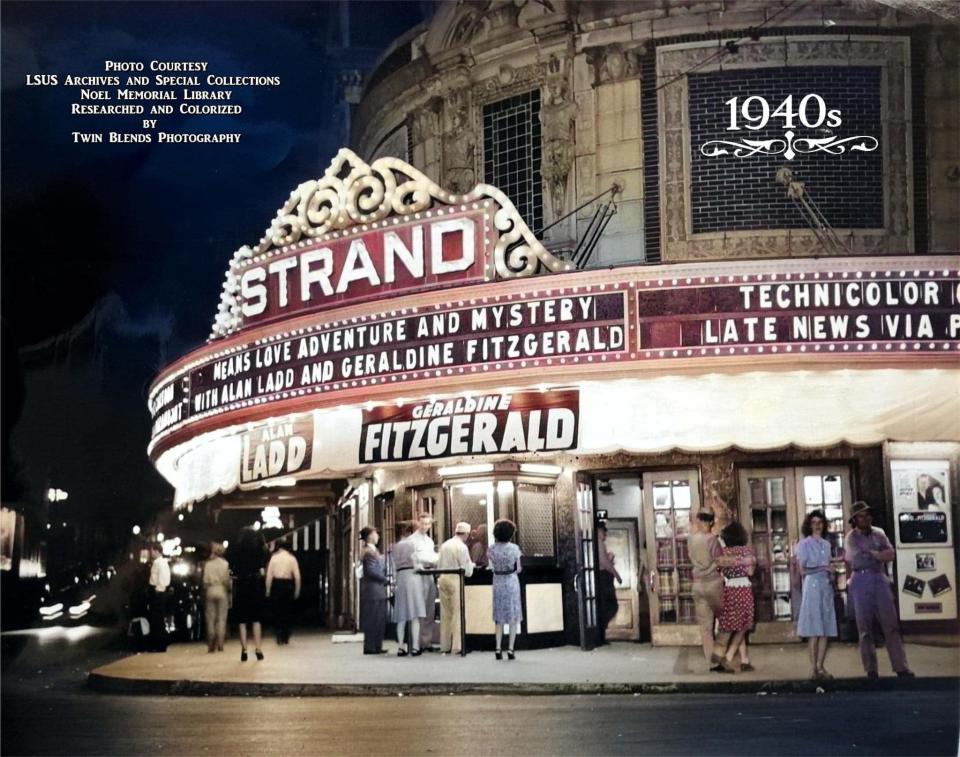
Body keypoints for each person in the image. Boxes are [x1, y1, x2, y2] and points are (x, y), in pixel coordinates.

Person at [844, 501, 914, 679]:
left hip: (879, 578)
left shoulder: (879, 533)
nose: (866, 518)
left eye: (867, 514)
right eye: (861, 515)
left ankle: (900, 667)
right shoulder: (851, 538)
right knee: (865, 627)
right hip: (860, 579)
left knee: (890, 624)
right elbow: (858, 559)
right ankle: (871, 670)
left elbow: (890, 554)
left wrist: (876, 554)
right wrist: (877, 555)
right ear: (854, 519)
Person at [795, 510, 838, 680]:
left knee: (825, 628)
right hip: (812, 586)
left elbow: (829, 567)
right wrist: (823, 568)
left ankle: (821, 666)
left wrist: (832, 573)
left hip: (825, 586)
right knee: (814, 628)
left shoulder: (826, 545)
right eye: (814, 522)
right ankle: (813, 668)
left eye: (820, 522)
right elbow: (803, 570)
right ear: (809, 525)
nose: (817, 525)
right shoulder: (804, 545)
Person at [714, 521, 756, 674]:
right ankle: (729, 656)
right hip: (744, 588)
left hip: (729, 589)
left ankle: (744, 660)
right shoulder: (746, 551)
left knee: (734, 624)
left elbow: (718, 570)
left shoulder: (724, 553)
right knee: (743, 625)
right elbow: (750, 572)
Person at [688, 510, 724, 668]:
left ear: (698, 521)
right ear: (711, 522)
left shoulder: (691, 539)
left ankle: (711, 661)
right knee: (726, 620)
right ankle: (723, 654)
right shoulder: (712, 539)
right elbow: (719, 560)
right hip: (713, 583)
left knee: (705, 627)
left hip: (697, 584)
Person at [229, 527, 267, 662]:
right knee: (256, 619)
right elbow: (262, 571)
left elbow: (231, 570)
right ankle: (258, 649)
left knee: (242, 620)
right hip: (254, 585)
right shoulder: (258, 550)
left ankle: (244, 650)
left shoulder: (236, 550)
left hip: (241, 586)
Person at [437, 521, 475, 655]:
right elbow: (466, 568)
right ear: (466, 534)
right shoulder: (462, 547)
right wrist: (472, 567)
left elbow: (439, 564)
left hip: (442, 579)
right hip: (454, 579)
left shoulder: (445, 545)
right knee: (457, 614)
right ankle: (457, 646)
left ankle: (445, 645)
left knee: (445, 614)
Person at [487, 519, 523, 660]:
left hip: (498, 581)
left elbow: (491, 566)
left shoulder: (491, 549)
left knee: (499, 617)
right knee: (513, 617)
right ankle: (510, 649)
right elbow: (518, 568)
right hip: (511, 581)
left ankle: (497, 649)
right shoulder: (514, 548)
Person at [392, 522, 426, 656]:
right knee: (415, 614)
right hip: (412, 577)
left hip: (400, 577)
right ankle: (415, 647)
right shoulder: (412, 545)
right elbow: (415, 563)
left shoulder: (395, 546)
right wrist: (421, 567)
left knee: (401, 614)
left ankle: (401, 646)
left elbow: (393, 564)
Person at [410, 512, 440, 650]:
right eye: (423, 523)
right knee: (419, 609)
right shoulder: (412, 540)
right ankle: (417, 642)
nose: (425, 526)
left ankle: (426, 641)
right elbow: (416, 558)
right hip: (418, 576)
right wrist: (432, 559)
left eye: (428, 524)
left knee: (429, 608)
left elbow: (432, 557)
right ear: (418, 523)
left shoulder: (429, 541)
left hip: (430, 574)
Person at [359, 526, 388, 655]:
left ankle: (376, 645)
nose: (378, 536)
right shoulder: (368, 552)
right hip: (373, 591)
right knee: (373, 619)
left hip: (377, 590)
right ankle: (371, 646)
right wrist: (385, 579)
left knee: (379, 619)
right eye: (376, 534)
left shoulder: (373, 550)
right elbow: (371, 571)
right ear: (370, 536)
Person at [266, 538, 301, 645]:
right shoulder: (292, 559)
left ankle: (278, 632)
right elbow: (297, 576)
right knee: (287, 610)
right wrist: (297, 590)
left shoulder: (274, 558)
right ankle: (286, 634)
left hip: (276, 585)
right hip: (287, 585)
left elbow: (269, 576)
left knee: (277, 610)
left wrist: (268, 590)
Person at [201, 541, 231, 653]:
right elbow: (227, 581)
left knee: (210, 618)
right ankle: (220, 643)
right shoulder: (225, 564)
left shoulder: (208, 564)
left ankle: (211, 643)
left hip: (210, 590)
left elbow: (204, 581)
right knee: (221, 619)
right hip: (221, 590)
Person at [596, 522, 622, 642]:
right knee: (610, 606)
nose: (605, 534)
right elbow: (604, 562)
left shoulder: (595, 543)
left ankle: (600, 634)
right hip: (603, 577)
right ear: (598, 531)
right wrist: (617, 575)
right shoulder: (598, 543)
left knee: (604, 606)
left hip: (601, 577)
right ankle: (600, 633)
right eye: (603, 531)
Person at [147, 544, 171, 652]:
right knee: (158, 618)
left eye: (152, 551)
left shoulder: (159, 563)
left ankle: (159, 644)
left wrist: (158, 589)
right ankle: (159, 644)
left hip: (158, 591)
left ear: (156, 551)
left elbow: (162, 578)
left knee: (157, 619)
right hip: (159, 591)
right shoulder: (162, 562)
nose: (151, 553)